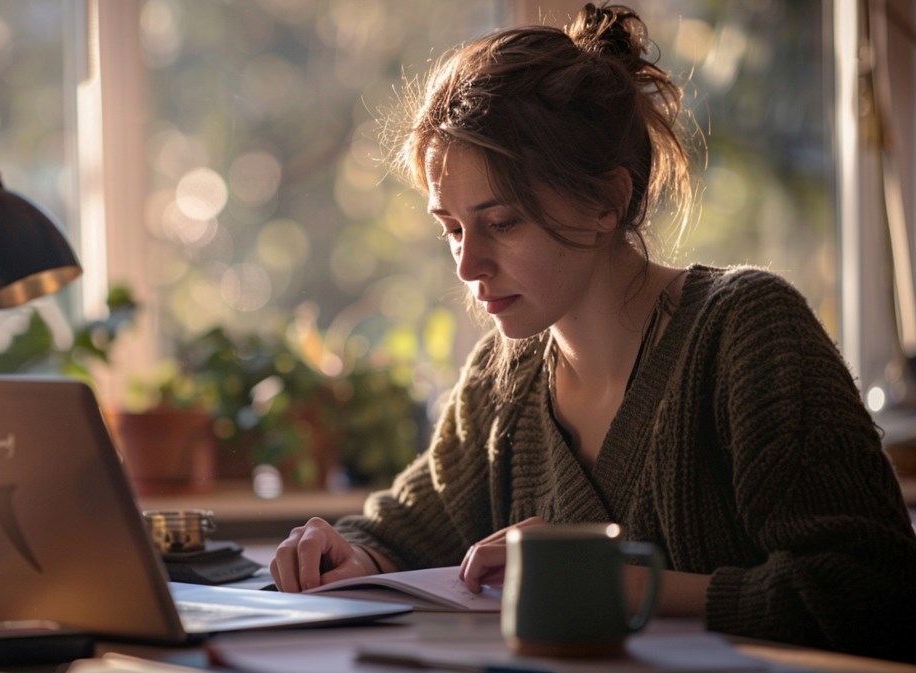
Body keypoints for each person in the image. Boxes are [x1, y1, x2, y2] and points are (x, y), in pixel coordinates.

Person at [269, 2, 916, 662]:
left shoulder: (747, 333)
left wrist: (632, 586)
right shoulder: (505, 377)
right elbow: (407, 529)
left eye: (503, 222)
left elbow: (875, 592)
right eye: (454, 229)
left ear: (606, 201)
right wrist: (349, 552)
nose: (468, 265)